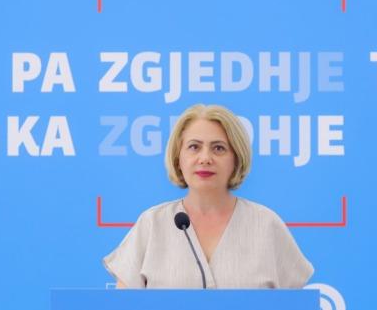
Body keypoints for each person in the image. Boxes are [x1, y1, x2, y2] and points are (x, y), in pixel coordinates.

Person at [103, 104, 313, 289]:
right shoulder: (152, 224)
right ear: (178, 158)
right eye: (194, 147)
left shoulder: (266, 224)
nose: (205, 158)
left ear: (236, 159)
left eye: (218, 148)